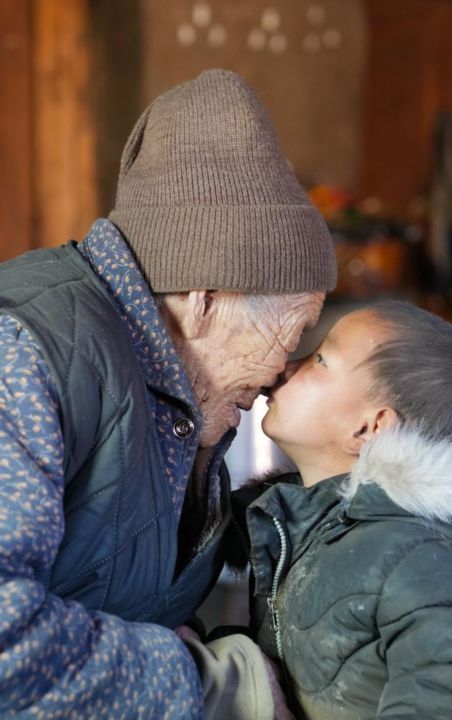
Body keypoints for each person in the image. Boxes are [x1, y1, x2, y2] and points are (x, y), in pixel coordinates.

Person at [0, 69, 336, 718]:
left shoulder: (184, 405)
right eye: (294, 333)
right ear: (206, 298)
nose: (280, 374)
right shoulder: (24, 353)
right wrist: (212, 685)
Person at [228, 300, 452, 719]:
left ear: (370, 428)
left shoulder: (424, 560)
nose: (286, 367)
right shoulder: (305, 526)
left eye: (320, 359)